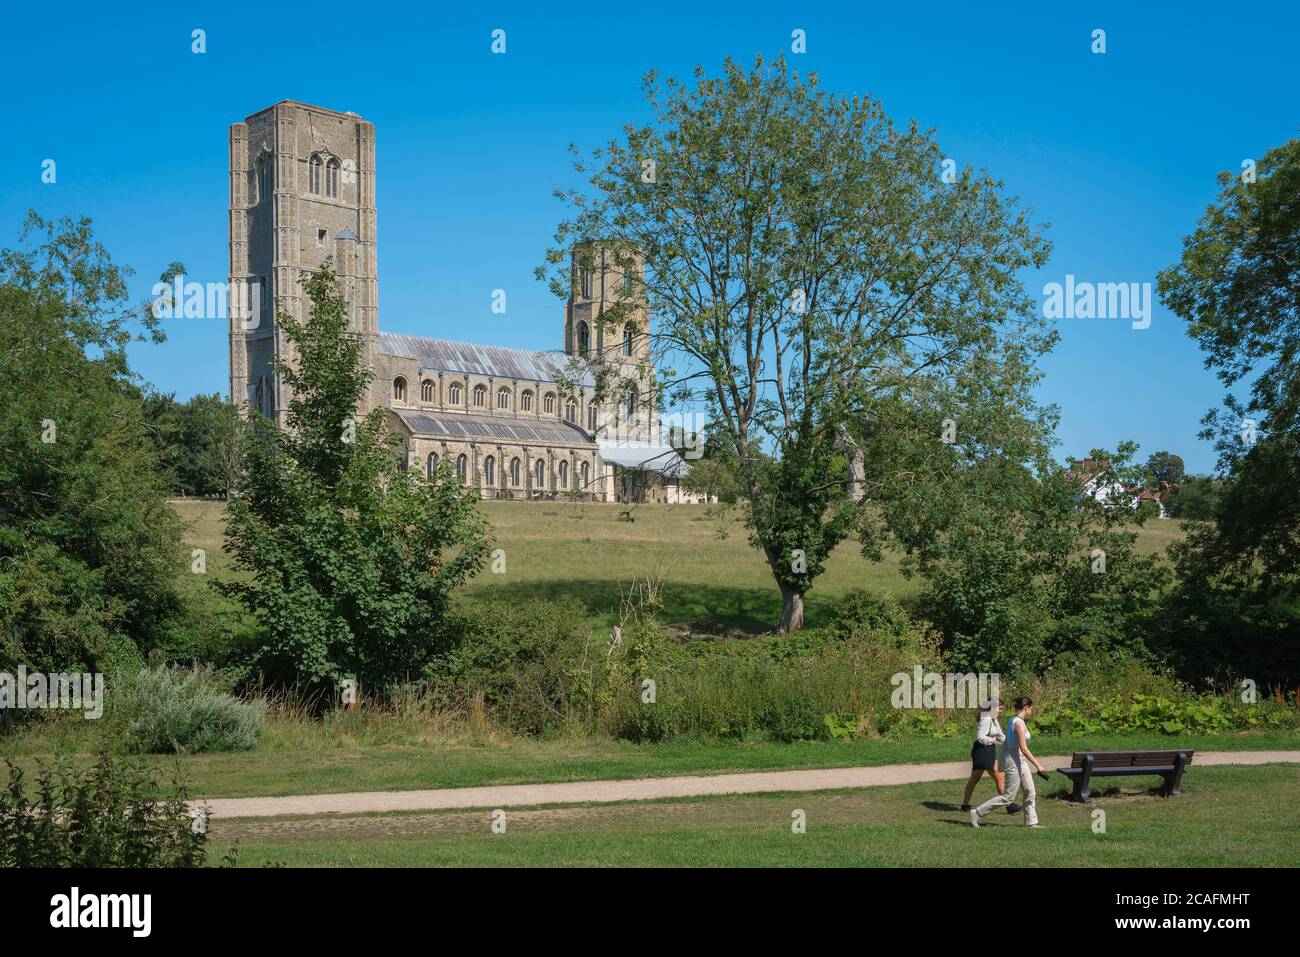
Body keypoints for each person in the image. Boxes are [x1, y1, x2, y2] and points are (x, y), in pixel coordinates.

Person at [970, 696, 1047, 828]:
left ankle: (1031, 822)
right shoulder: (1017, 723)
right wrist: (1038, 765)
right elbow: (1023, 748)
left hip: (1020, 759)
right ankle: (977, 812)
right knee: (1008, 797)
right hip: (1014, 760)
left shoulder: (1015, 720)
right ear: (1026, 708)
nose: (1032, 711)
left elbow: (1005, 739)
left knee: (1030, 790)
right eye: (1031, 708)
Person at [960, 699, 1019, 813]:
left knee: (974, 778)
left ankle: (965, 805)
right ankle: (1009, 805)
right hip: (983, 751)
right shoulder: (986, 719)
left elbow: (1001, 735)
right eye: (999, 708)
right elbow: (980, 737)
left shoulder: (993, 719)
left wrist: (1012, 744)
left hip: (986, 750)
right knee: (1000, 778)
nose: (1001, 711)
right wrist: (992, 741)